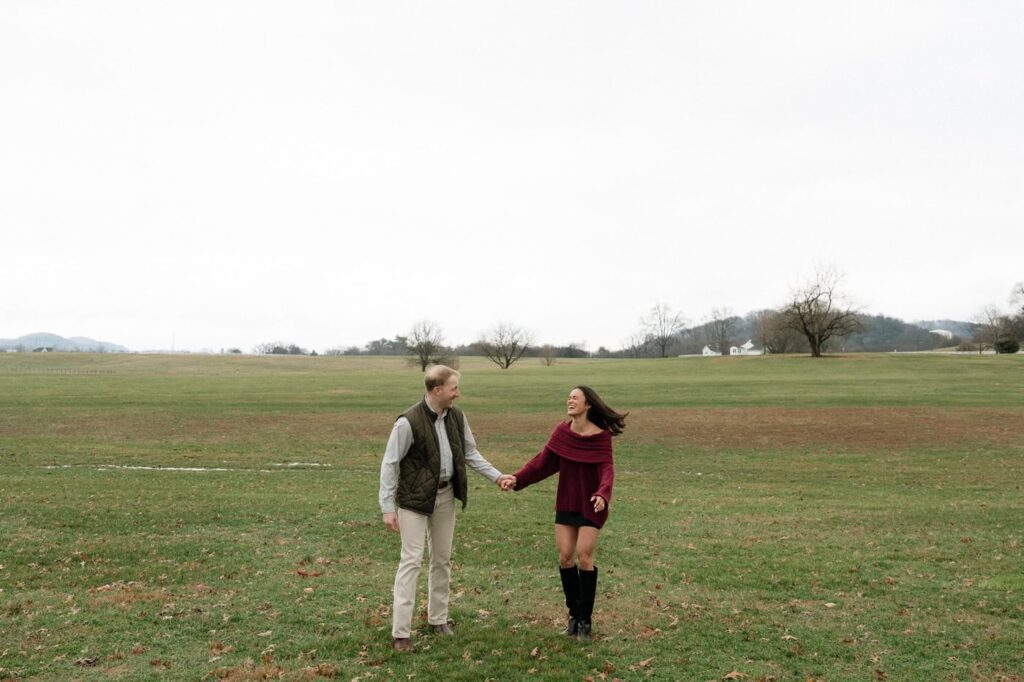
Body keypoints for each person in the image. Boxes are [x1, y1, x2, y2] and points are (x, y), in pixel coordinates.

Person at [379, 365, 515, 652]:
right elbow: (390, 463)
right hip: (414, 502)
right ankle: (401, 633)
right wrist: (387, 506)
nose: (458, 393)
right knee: (411, 562)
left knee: (442, 560)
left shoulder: (457, 416)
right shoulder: (407, 422)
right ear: (437, 390)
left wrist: (497, 476)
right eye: (454, 388)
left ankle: (438, 619)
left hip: (445, 496)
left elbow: (470, 453)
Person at [501, 385, 626, 641]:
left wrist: (603, 493)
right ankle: (574, 615)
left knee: (584, 556)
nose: (570, 401)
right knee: (566, 557)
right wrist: (517, 478)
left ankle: (586, 621)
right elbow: (542, 462)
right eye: (568, 397)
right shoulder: (562, 432)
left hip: (591, 504)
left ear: (587, 404)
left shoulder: (601, 437)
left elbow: (607, 469)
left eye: (575, 398)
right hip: (567, 502)